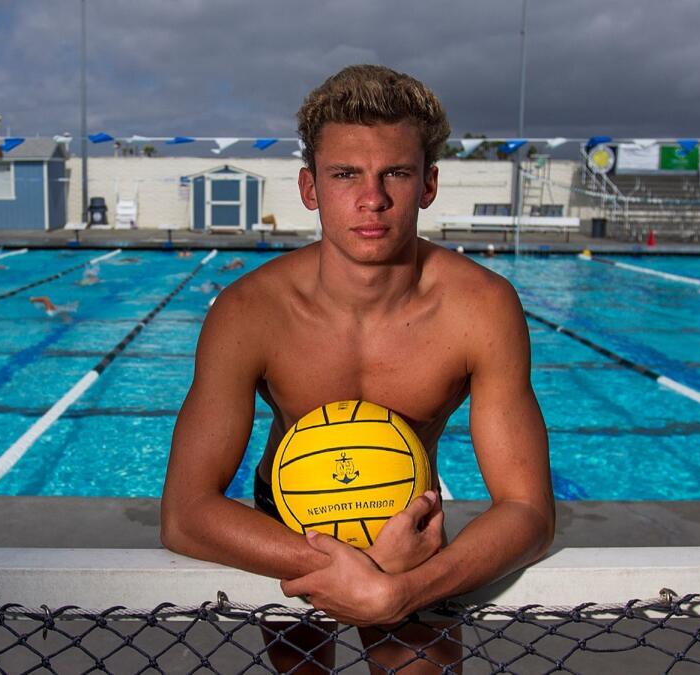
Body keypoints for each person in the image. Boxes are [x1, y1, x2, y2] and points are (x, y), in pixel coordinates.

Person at [162, 65, 554, 673]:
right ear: (310, 188)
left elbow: (528, 511)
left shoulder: (481, 307)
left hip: (409, 526)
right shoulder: (248, 311)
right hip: (289, 522)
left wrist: (401, 590)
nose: (372, 199)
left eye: (395, 172)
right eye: (345, 174)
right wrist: (339, 567)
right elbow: (185, 513)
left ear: (428, 184)